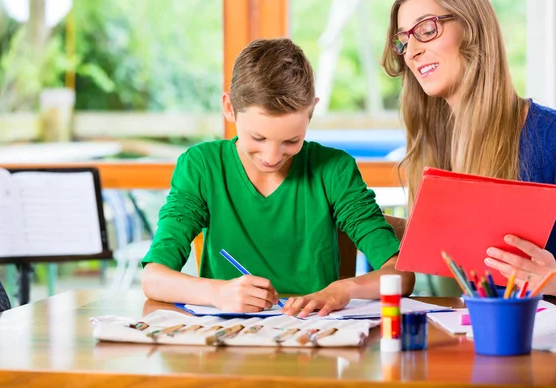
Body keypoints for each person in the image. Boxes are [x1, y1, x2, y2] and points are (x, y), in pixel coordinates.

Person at [141, 38, 415, 317]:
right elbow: (153, 277)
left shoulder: (335, 169)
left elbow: (401, 276)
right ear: (229, 107)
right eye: (257, 137)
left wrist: (345, 289)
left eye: (291, 140)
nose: (272, 156)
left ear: (312, 111)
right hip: (227, 342)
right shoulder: (201, 166)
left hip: (317, 339)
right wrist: (216, 293)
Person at [381, 0, 556, 302]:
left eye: (426, 30)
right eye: (403, 40)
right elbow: (460, 242)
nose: (411, 51)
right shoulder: (444, 142)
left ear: (472, 29)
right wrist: (363, 220)